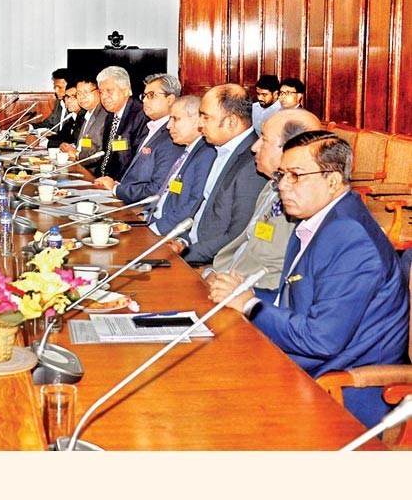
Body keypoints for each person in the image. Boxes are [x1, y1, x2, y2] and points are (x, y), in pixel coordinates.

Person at [208, 131, 409, 427]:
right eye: (281, 175)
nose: (283, 186)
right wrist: (242, 292)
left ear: (332, 180)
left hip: (344, 386)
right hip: (315, 365)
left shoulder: (349, 236)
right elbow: (297, 298)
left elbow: (321, 339)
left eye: (296, 176)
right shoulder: (319, 219)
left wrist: (250, 305)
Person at [206, 108, 322, 290]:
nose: (254, 147)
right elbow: (247, 241)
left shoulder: (305, 202)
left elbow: (280, 272)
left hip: (250, 296)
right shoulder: (271, 185)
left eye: (264, 140)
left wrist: (240, 291)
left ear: (291, 148)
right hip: (225, 279)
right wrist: (214, 273)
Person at [169, 83, 268, 265]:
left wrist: (183, 255)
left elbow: (236, 235)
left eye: (205, 117)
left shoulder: (252, 164)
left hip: (209, 262)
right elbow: (200, 209)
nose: (200, 124)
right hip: (189, 246)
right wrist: (180, 240)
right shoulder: (218, 148)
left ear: (231, 121)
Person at [94, 74, 181, 203]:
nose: (144, 101)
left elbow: (156, 189)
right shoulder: (152, 127)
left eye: (151, 95)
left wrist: (116, 189)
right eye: (144, 96)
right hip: (123, 193)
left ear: (170, 99)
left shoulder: (173, 135)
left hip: (140, 208)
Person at [147, 95, 216, 235]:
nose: (168, 126)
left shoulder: (206, 154)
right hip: (154, 219)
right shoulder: (188, 149)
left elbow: (193, 204)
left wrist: (154, 230)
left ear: (197, 120)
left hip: (169, 231)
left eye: (175, 119)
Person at [90, 66, 149, 181]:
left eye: (109, 91)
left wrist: (115, 187)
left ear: (126, 90)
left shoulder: (140, 115)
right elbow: (108, 154)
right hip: (102, 180)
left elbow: (136, 163)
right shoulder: (110, 115)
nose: (104, 97)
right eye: (101, 92)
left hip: (123, 184)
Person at [58, 73, 109, 163]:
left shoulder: (104, 115)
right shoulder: (88, 114)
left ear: (99, 91)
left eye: (86, 92)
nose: (82, 97)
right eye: (78, 93)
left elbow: (101, 153)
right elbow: (85, 145)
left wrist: (77, 155)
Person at [27, 68, 71, 143]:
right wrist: (28, 127)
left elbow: (70, 136)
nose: (56, 91)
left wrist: (45, 139)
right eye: (55, 87)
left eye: (60, 87)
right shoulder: (59, 102)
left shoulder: (75, 107)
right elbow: (49, 123)